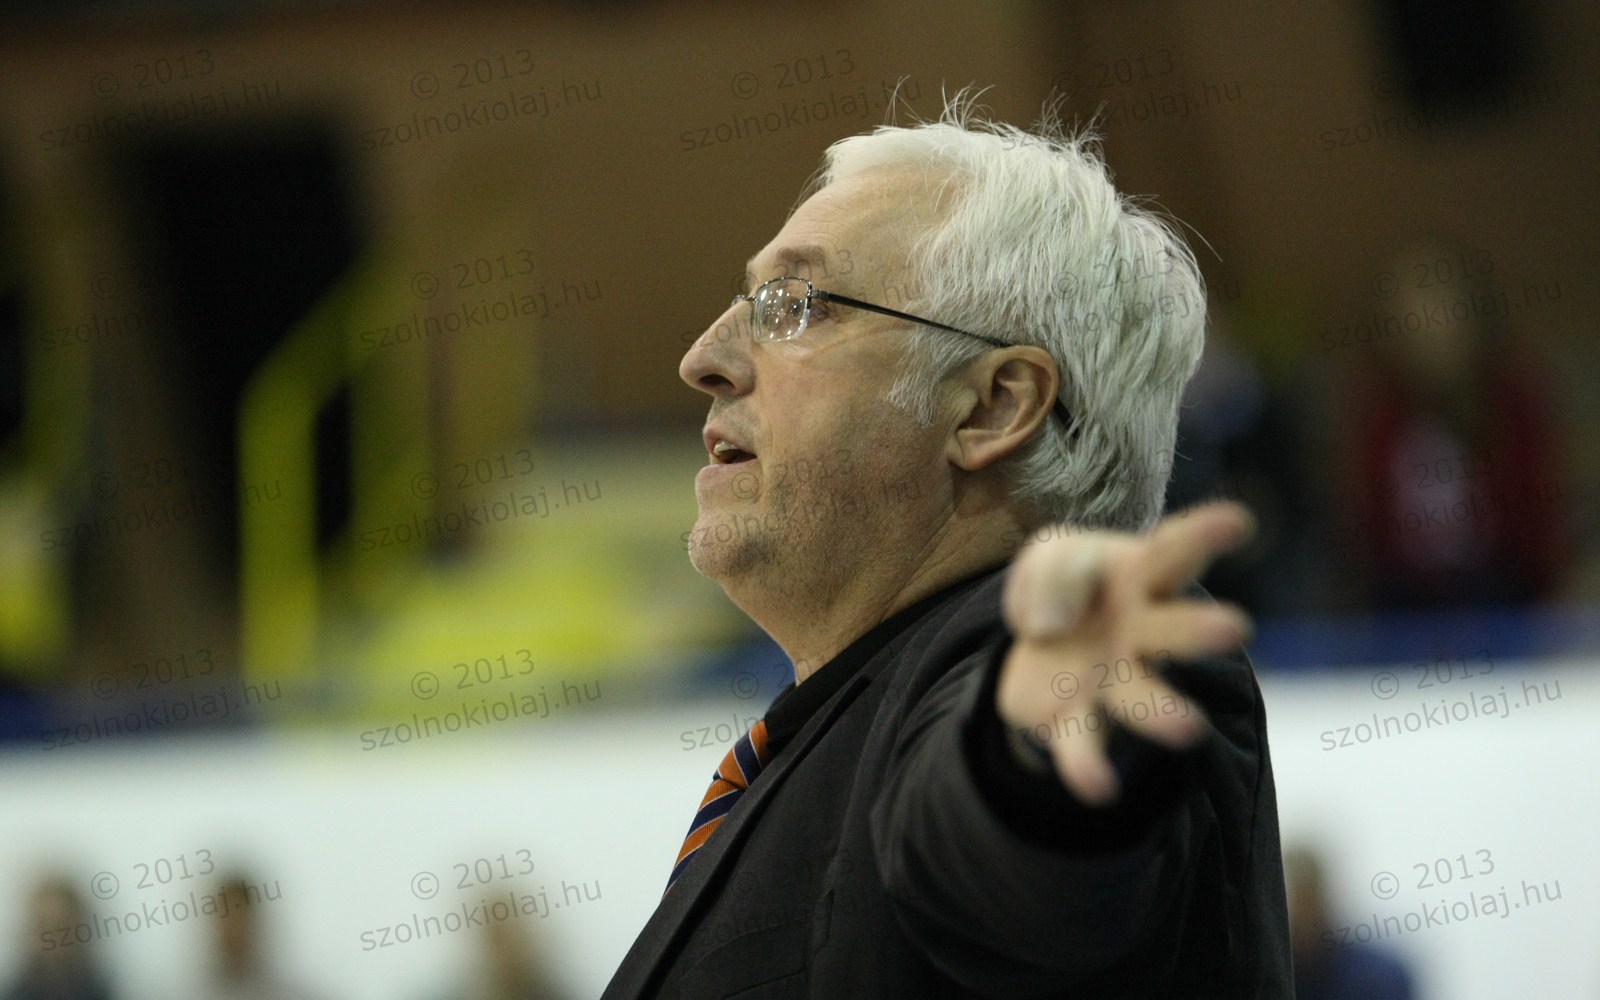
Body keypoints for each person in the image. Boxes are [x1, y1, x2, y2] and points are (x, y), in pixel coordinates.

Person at [601, 94, 1292, 998]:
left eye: (795, 305)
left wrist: (1025, 756)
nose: (703, 358)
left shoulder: (1038, 670)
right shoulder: (835, 726)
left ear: (994, 406)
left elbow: (1019, 867)